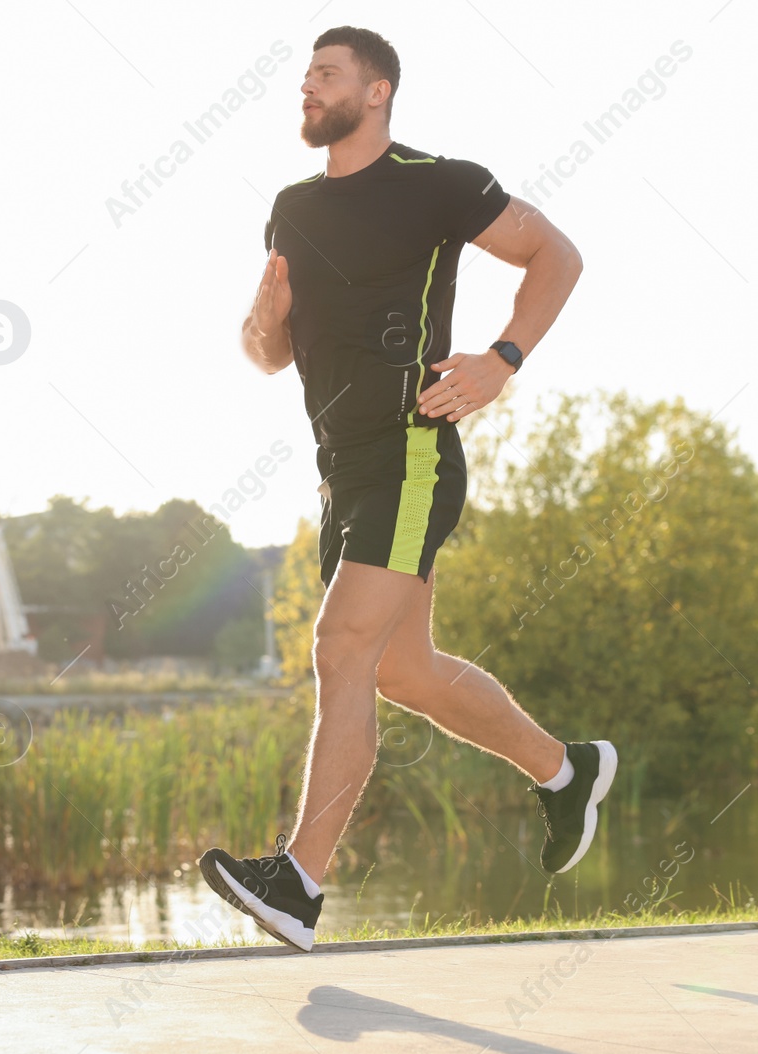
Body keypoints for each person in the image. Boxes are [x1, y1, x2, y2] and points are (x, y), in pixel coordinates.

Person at [198, 26, 614, 952]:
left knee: (340, 644)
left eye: (326, 75)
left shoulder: (440, 182)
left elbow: (559, 257)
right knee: (399, 668)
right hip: (340, 465)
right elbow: (267, 353)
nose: (307, 88)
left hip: (413, 449)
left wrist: (501, 359)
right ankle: (566, 769)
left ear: (376, 92)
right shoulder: (292, 208)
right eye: (305, 75)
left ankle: (299, 885)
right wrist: (259, 322)